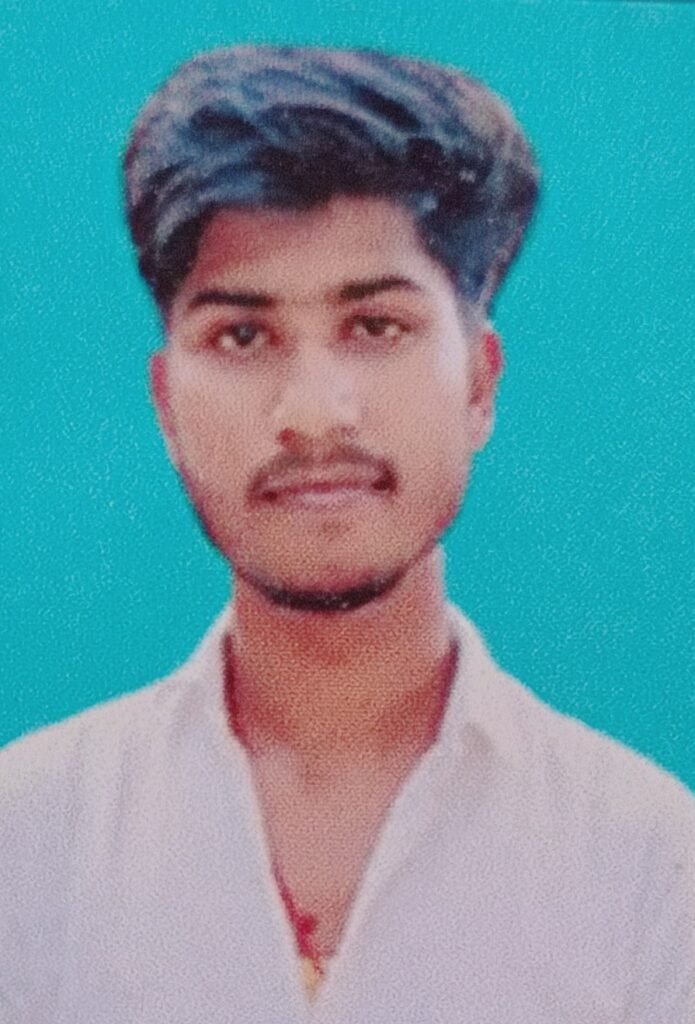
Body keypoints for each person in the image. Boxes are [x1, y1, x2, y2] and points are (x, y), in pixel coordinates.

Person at [1, 44, 693, 1024]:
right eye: (242, 336)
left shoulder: (651, 865)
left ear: (479, 382)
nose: (313, 414)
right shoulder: (28, 844)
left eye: (374, 327)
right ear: (165, 406)